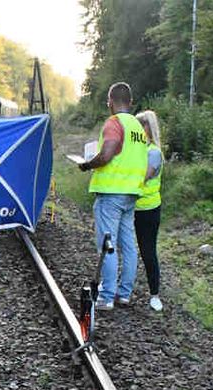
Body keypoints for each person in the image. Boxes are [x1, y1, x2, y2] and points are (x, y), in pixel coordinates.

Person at [78, 82, 147, 312]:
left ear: (110, 101)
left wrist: (88, 164)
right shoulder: (137, 126)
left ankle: (107, 296)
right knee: (128, 245)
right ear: (131, 101)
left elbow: (107, 153)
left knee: (107, 245)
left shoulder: (114, 122)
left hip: (111, 194)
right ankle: (124, 294)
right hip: (132, 193)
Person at [132, 110, 163, 312]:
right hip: (131, 207)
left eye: (138, 128)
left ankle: (154, 295)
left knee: (147, 251)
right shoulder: (137, 151)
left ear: (148, 130)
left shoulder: (153, 153)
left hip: (148, 209)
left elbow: (143, 178)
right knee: (125, 248)